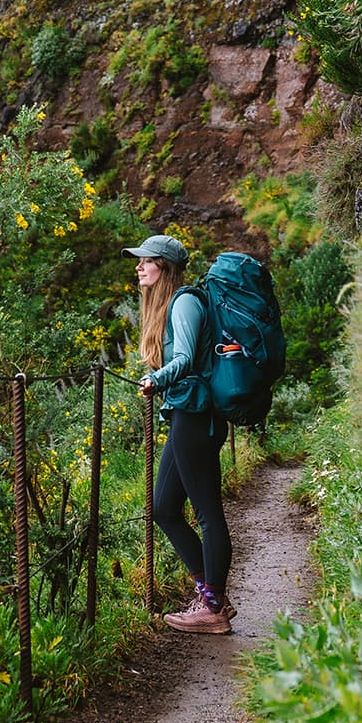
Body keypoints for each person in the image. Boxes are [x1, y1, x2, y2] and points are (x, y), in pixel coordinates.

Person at [123, 233, 234, 634]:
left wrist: (156, 378)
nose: (138, 267)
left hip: (195, 418)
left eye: (145, 261)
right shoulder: (169, 305)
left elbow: (185, 359)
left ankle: (215, 607)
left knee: (207, 513)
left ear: (164, 267)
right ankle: (210, 594)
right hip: (185, 417)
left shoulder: (184, 302)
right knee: (164, 508)